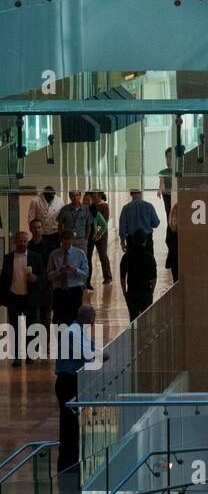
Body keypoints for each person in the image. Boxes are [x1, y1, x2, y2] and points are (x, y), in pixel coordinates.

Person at [54, 304, 97, 473]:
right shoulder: (73, 332)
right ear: (88, 319)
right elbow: (89, 354)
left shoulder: (79, 332)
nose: (93, 324)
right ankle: (66, 463)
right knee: (68, 424)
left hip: (73, 381)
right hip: (67, 382)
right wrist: (99, 355)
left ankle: (72, 460)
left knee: (72, 424)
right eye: (92, 320)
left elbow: (91, 349)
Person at [2, 230, 41, 363]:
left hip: (30, 297)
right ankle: (17, 357)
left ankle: (30, 355)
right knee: (14, 328)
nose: (23, 243)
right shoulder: (8, 258)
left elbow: (42, 277)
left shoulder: (35, 257)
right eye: (20, 241)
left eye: (25, 241)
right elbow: (3, 279)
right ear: (15, 242)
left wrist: (35, 278)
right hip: (14, 297)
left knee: (32, 328)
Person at [45, 229, 89, 327]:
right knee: (58, 319)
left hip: (75, 291)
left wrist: (75, 271)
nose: (66, 245)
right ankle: (59, 340)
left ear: (72, 241)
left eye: (69, 242)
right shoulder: (54, 255)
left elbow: (86, 274)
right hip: (59, 291)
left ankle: (74, 339)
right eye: (64, 242)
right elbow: (49, 275)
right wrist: (58, 271)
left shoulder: (80, 254)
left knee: (75, 318)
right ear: (61, 241)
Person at [119, 232, 157, 321]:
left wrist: (125, 293)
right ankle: (145, 334)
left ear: (134, 241)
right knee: (146, 320)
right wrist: (151, 292)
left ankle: (134, 334)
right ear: (145, 242)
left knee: (133, 319)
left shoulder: (127, 256)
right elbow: (154, 278)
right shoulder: (149, 257)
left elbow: (122, 277)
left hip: (132, 292)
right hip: (146, 292)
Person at [84, 190, 112, 289]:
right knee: (88, 257)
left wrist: (98, 233)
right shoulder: (88, 206)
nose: (92, 196)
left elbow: (104, 221)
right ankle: (86, 281)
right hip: (91, 235)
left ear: (99, 195)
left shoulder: (104, 206)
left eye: (93, 194)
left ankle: (107, 276)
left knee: (103, 255)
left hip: (101, 234)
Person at [55, 190, 91, 256]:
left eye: (77, 195)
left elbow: (88, 224)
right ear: (70, 197)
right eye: (73, 196)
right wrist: (62, 237)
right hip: (68, 240)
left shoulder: (86, 209)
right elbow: (60, 225)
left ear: (80, 196)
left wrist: (86, 238)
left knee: (82, 258)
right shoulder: (64, 209)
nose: (75, 197)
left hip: (81, 239)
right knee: (69, 258)